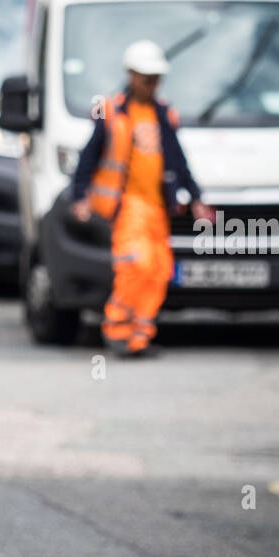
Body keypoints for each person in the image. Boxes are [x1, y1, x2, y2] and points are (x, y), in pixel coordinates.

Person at [70, 40, 215, 357]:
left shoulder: (164, 115)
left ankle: (139, 336)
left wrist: (196, 198)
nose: (151, 84)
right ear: (131, 75)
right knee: (136, 264)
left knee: (159, 270)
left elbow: (177, 160)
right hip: (128, 207)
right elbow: (88, 158)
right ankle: (117, 328)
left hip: (157, 208)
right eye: (145, 77)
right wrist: (79, 196)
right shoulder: (112, 113)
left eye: (156, 78)